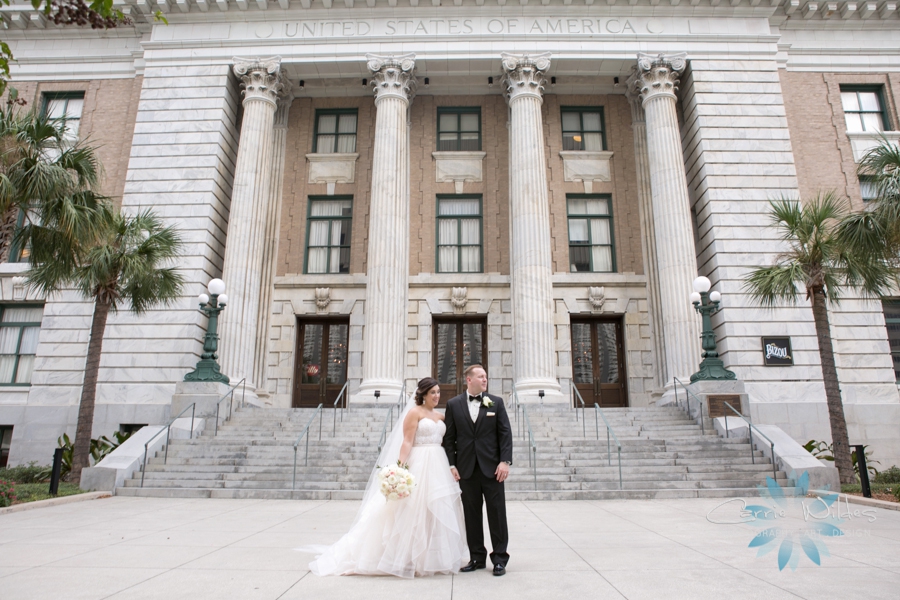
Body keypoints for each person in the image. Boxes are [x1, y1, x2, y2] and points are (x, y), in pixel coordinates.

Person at [307, 377, 468, 578]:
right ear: (423, 394)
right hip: (419, 462)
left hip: (438, 464)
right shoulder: (414, 413)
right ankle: (405, 557)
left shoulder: (441, 416)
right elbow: (407, 442)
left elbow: (448, 442)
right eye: (432, 392)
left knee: (433, 510)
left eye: (438, 392)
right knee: (409, 510)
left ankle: (428, 558)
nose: (437, 396)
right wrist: (399, 468)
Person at [442, 364, 513, 576]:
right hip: (466, 470)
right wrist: (452, 465)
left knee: (497, 514)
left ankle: (499, 558)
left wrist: (505, 462)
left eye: (486, 377)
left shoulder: (496, 403)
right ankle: (476, 557)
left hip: (493, 469)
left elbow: (505, 434)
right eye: (481, 376)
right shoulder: (453, 404)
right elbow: (449, 438)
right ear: (469, 379)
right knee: (471, 516)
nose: (485, 380)